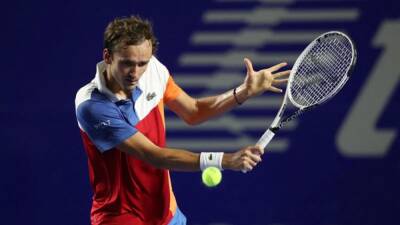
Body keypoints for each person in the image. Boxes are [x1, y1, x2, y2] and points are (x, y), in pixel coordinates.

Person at [75, 15, 289, 225]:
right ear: (107, 56)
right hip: (120, 217)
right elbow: (153, 155)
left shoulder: (154, 71)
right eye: (127, 63)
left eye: (143, 63)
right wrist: (224, 160)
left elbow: (193, 111)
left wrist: (243, 92)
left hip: (166, 213)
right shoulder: (92, 106)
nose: (135, 73)